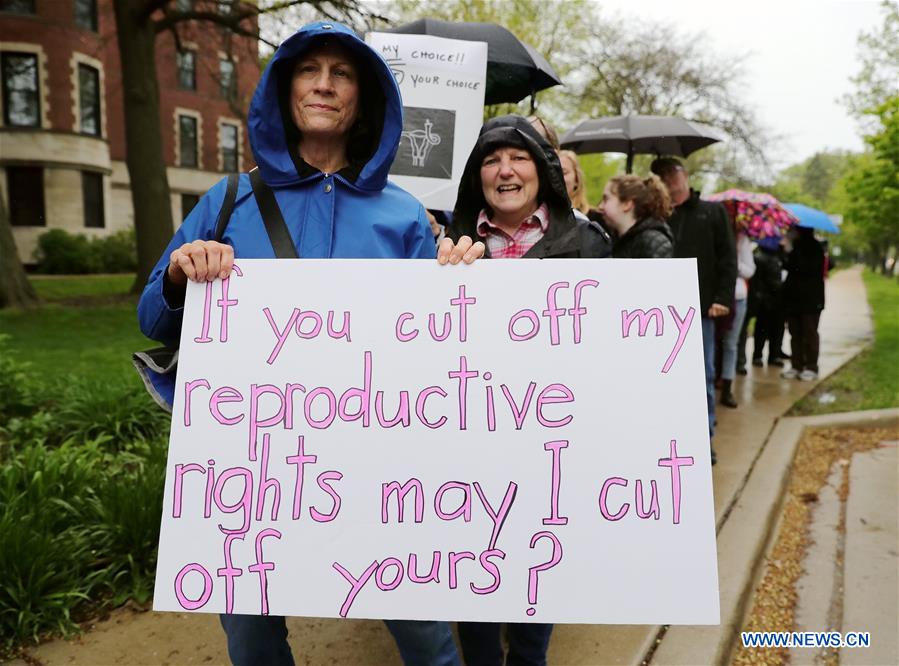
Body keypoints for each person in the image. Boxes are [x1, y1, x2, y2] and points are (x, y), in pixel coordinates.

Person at [137, 21, 483, 666]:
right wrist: (182, 275)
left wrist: (458, 285)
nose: (324, 84)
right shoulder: (229, 199)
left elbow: (440, 351)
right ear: (283, 89)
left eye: (342, 73)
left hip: (379, 460)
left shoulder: (405, 215)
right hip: (252, 462)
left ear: (363, 99)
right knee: (252, 637)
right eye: (308, 70)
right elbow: (152, 317)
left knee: (423, 629)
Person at [446, 114, 610, 665]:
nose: (505, 170)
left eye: (518, 157)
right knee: (475, 573)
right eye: (492, 160)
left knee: (540, 569)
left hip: (552, 448)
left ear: (542, 169)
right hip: (471, 450)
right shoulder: (450, 246)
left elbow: (615, 351)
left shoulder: (588, 243)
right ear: (477, 174)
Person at [650, 157, 736, 465]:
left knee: (703, 376)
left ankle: (704, 437)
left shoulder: (712, 212)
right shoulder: (657, 215)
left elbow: (728, 258)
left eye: (672, 172)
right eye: (661, 174)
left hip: (699, 310)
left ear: (685, 175)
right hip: (659, 312)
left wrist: (722, 297)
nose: (668, 178)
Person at [781, 226, 825, 380]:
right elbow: (789, 267)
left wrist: (789, 254)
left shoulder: (815, 248)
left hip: (811, 300)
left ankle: (811, 366)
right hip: (794, 300)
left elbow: (804, 268)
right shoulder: (795, 248)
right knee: (795, 333)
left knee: (809, 333)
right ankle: (796, 365)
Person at [718, 229, 755, 407]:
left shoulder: (742, 240)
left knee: (730, 344)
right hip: (715, 296)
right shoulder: (715, 233)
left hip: (737, 298)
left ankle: (727, 387)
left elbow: (750, 270)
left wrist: (734, 263)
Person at [598, 174, 674, 258]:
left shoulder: (651, 243)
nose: (600, 206)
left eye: (606, 199)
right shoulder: (614, 240)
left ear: (627, 204)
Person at [749, 236, 787, 368]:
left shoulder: (779, 256)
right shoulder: (759, 256)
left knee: (777, 329)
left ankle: (774, 355)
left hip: (778, 300)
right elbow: (759, 281)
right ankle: (758, 355)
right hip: (765, 300)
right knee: (762, 329)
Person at [558, 149, 592, 222]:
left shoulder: (592, 218)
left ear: (576, 179)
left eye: (564, 172)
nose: (557, 177)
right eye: (554, 172)